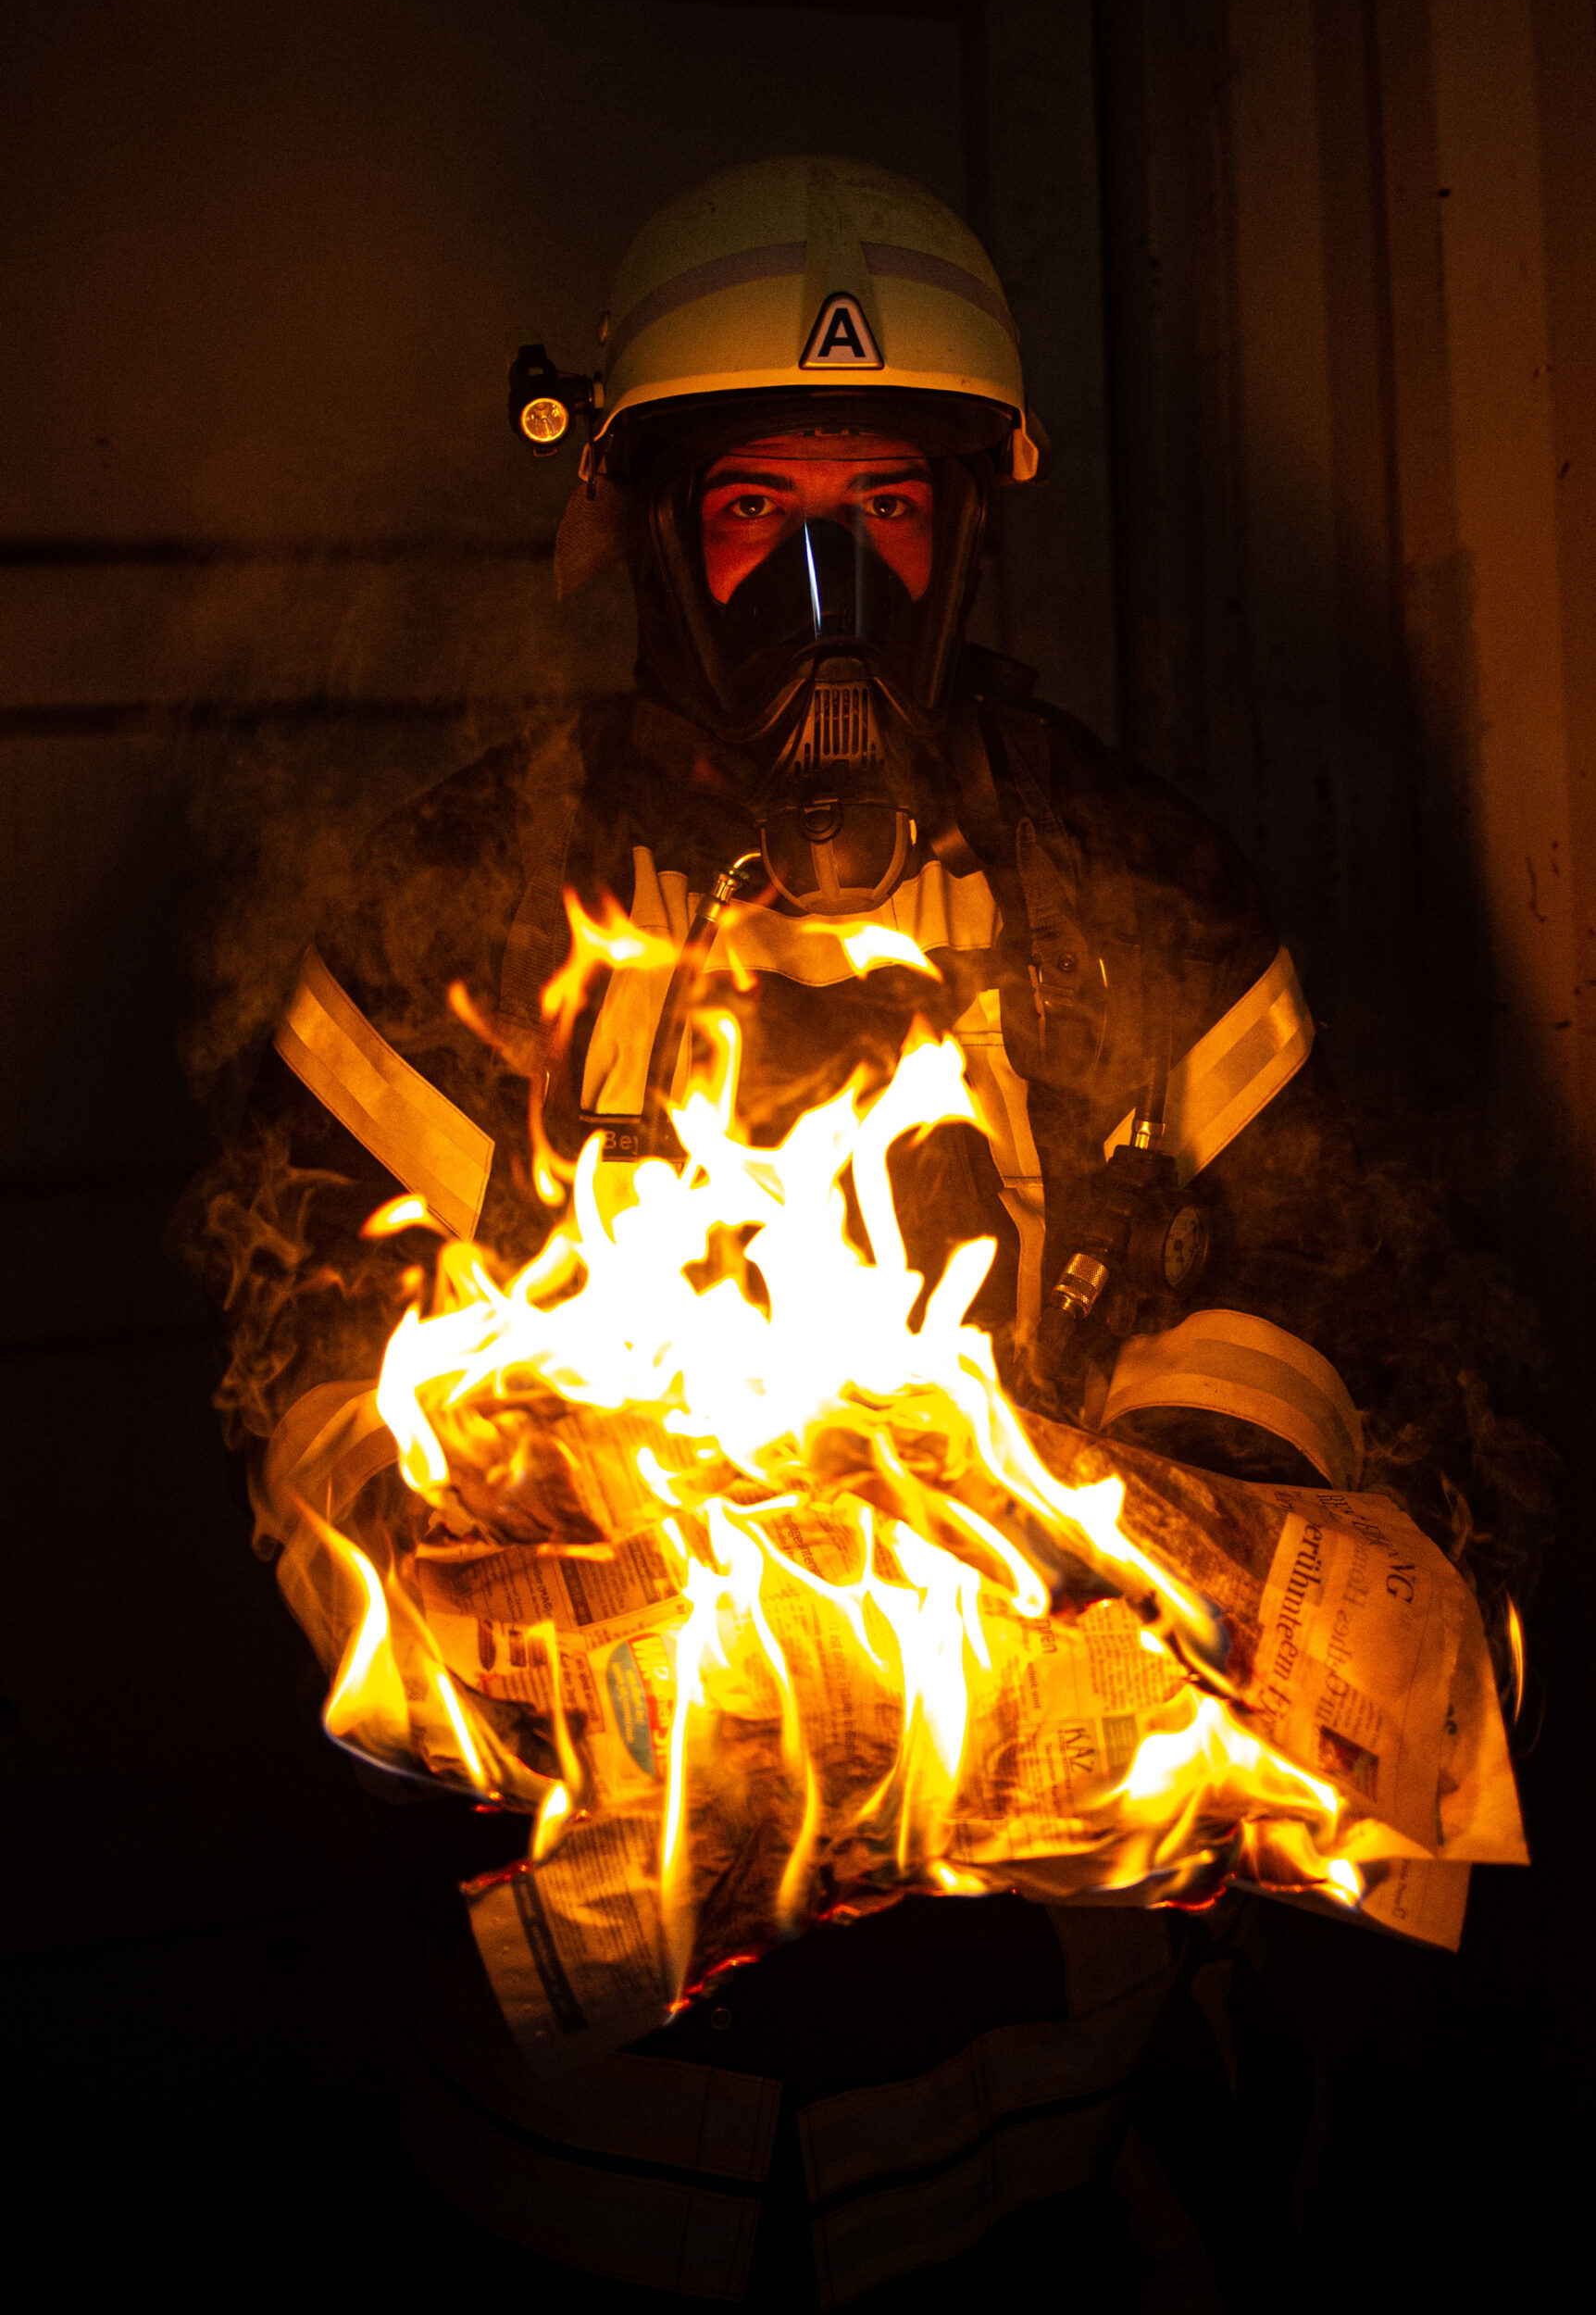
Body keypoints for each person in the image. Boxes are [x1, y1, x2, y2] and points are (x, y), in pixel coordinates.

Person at [197, 156, 1398, 2308]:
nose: (826, 581)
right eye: (759, 506)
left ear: (970, 529)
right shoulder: (461, 911)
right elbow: (301, 1353)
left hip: (1054, 2097)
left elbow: (1315, 1292)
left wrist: (1151, 1567)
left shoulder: (1143, 896)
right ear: (647, 526)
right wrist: (523, 1638)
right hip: (589, 2138)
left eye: (887, 507)